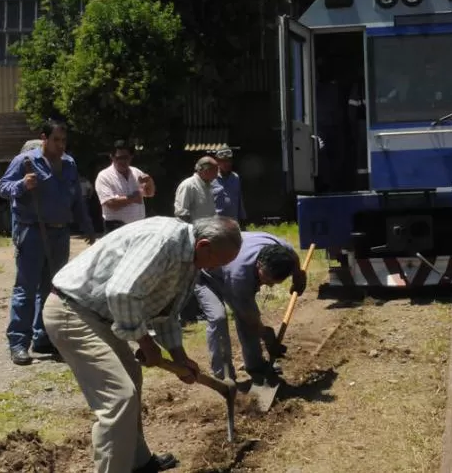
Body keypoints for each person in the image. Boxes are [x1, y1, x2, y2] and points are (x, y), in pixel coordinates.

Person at [42, 215, 242, 473]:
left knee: (132, 377)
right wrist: (145, 342)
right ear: (203, 245)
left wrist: (178, 355)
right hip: (73, 311)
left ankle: (137, 461)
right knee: (119, 397)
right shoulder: (163, 240)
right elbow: (121, 292)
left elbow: (166, 311)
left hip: (103, 315)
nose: (214, 269)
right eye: (218, 261)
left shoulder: (191, 261)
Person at [0, 119, 96, 366]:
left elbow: (77, 199)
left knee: (52, 289)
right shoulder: (26, 162)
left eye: (64, 140)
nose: (61, 145)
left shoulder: (70, 163)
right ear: (44, 138)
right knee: (26, 288)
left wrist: (87, 225)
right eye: (56, 140)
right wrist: (22, 185)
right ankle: (19, 343)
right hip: (32, 231)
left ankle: (44, 338)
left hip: (60, 233)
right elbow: (2, 187)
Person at [188, 231, 307, 383]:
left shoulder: (283, 251)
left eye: (275, 282)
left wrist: (298, 276)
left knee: (247, 318)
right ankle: (224, 377)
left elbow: (294, 257)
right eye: (268, 279)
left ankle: (255, 366)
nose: (270, 284)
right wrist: (266, 335)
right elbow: (248, 317)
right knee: (219, 317)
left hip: (227, 266)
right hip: (205, 274)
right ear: (259, 265)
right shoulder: (240, 274)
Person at [94, 140, 155, 234]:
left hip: (139, 227)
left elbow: (149, 193)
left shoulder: (136, 172)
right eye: (119, 158)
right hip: (116, 228)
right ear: (112, 157)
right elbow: (110, 203)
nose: (123, 161)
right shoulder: (104, 176)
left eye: (126, 157)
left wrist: (150, 182)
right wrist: (133, 198)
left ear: (131, 157)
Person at [174, 156, 218, 223]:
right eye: (215, 171)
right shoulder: (188, 185)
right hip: (195, 231)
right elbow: (182, 215)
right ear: (206, 171)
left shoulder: (209, 186)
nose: (216, 175)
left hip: (209, 231)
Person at [210, 148, 246, 226]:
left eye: (228, 160)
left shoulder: (235, 177)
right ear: (217, 162)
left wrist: (243, 218)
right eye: (223, 161)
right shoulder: (211, 177)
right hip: (216, 223)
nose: (226, 163)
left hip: (233, 222)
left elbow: (239, 198)